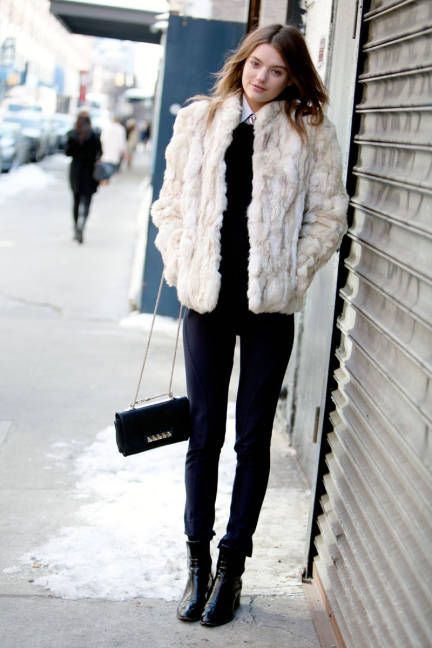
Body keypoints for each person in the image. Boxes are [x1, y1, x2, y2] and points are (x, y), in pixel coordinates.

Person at [151, 24, 348, 627]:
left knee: (252, 437)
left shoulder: (309, 131)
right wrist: (182, 264)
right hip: (207, 301)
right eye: (256, 64)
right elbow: (170, 205)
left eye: (277, 70)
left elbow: (329, 215)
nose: (262, 77)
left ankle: (232, 567)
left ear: (292, 79)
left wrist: (292, 272)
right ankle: (196, 561)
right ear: (243, 62)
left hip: (268, 308)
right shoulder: (199, 121)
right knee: (204, 432)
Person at [65, 111, 102, 244]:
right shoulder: (94, 135)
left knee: (76, 201)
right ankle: (82, 225)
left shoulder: (72, 134)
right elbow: (100, 152)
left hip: (76, 172)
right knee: (87, 201)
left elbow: (67, 152)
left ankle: (76, 227)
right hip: (89, 172)